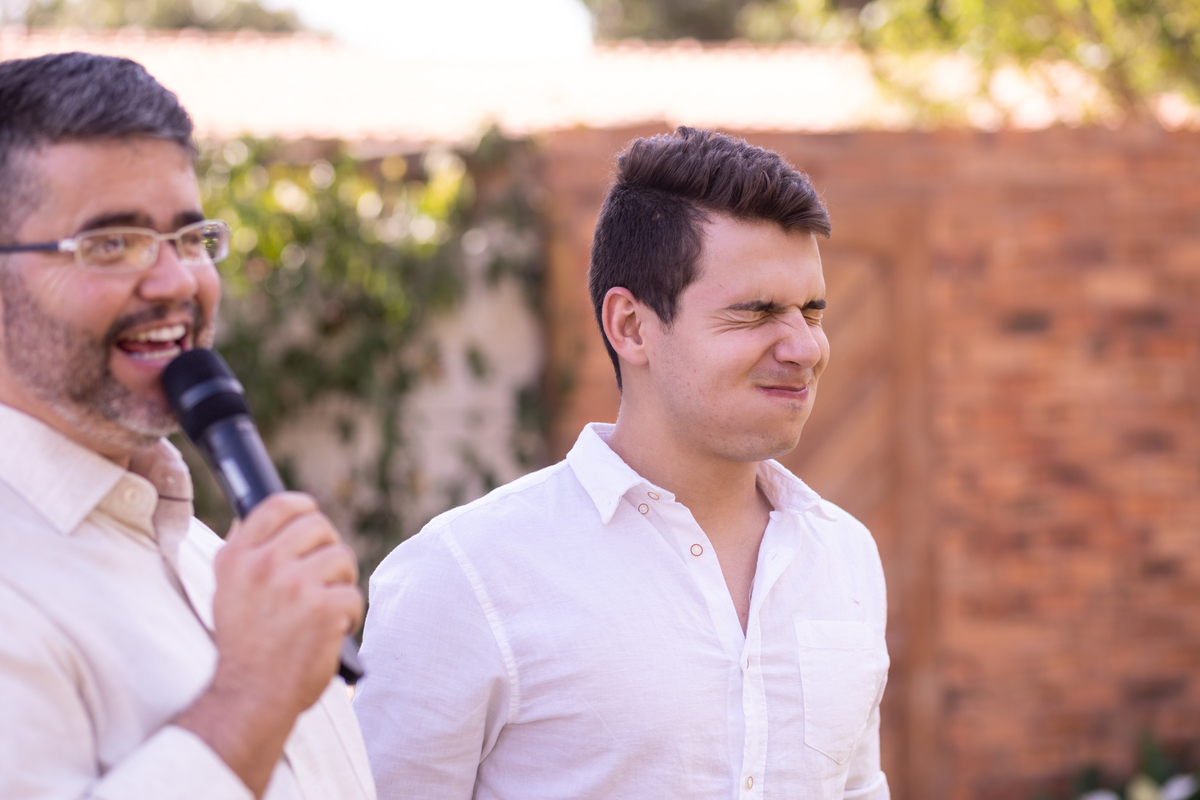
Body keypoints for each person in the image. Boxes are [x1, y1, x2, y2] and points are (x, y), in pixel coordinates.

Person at [354, 126, 890, 799]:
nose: (805, 348)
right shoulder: (467, 576)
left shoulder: (845, 557)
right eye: (756, 313)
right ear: (631, 327)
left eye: (811, 311)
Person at [0, 52, 375, 799]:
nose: (177, 281)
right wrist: (251, 696)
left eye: (190, 238)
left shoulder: (209, 559)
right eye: (111, 243)